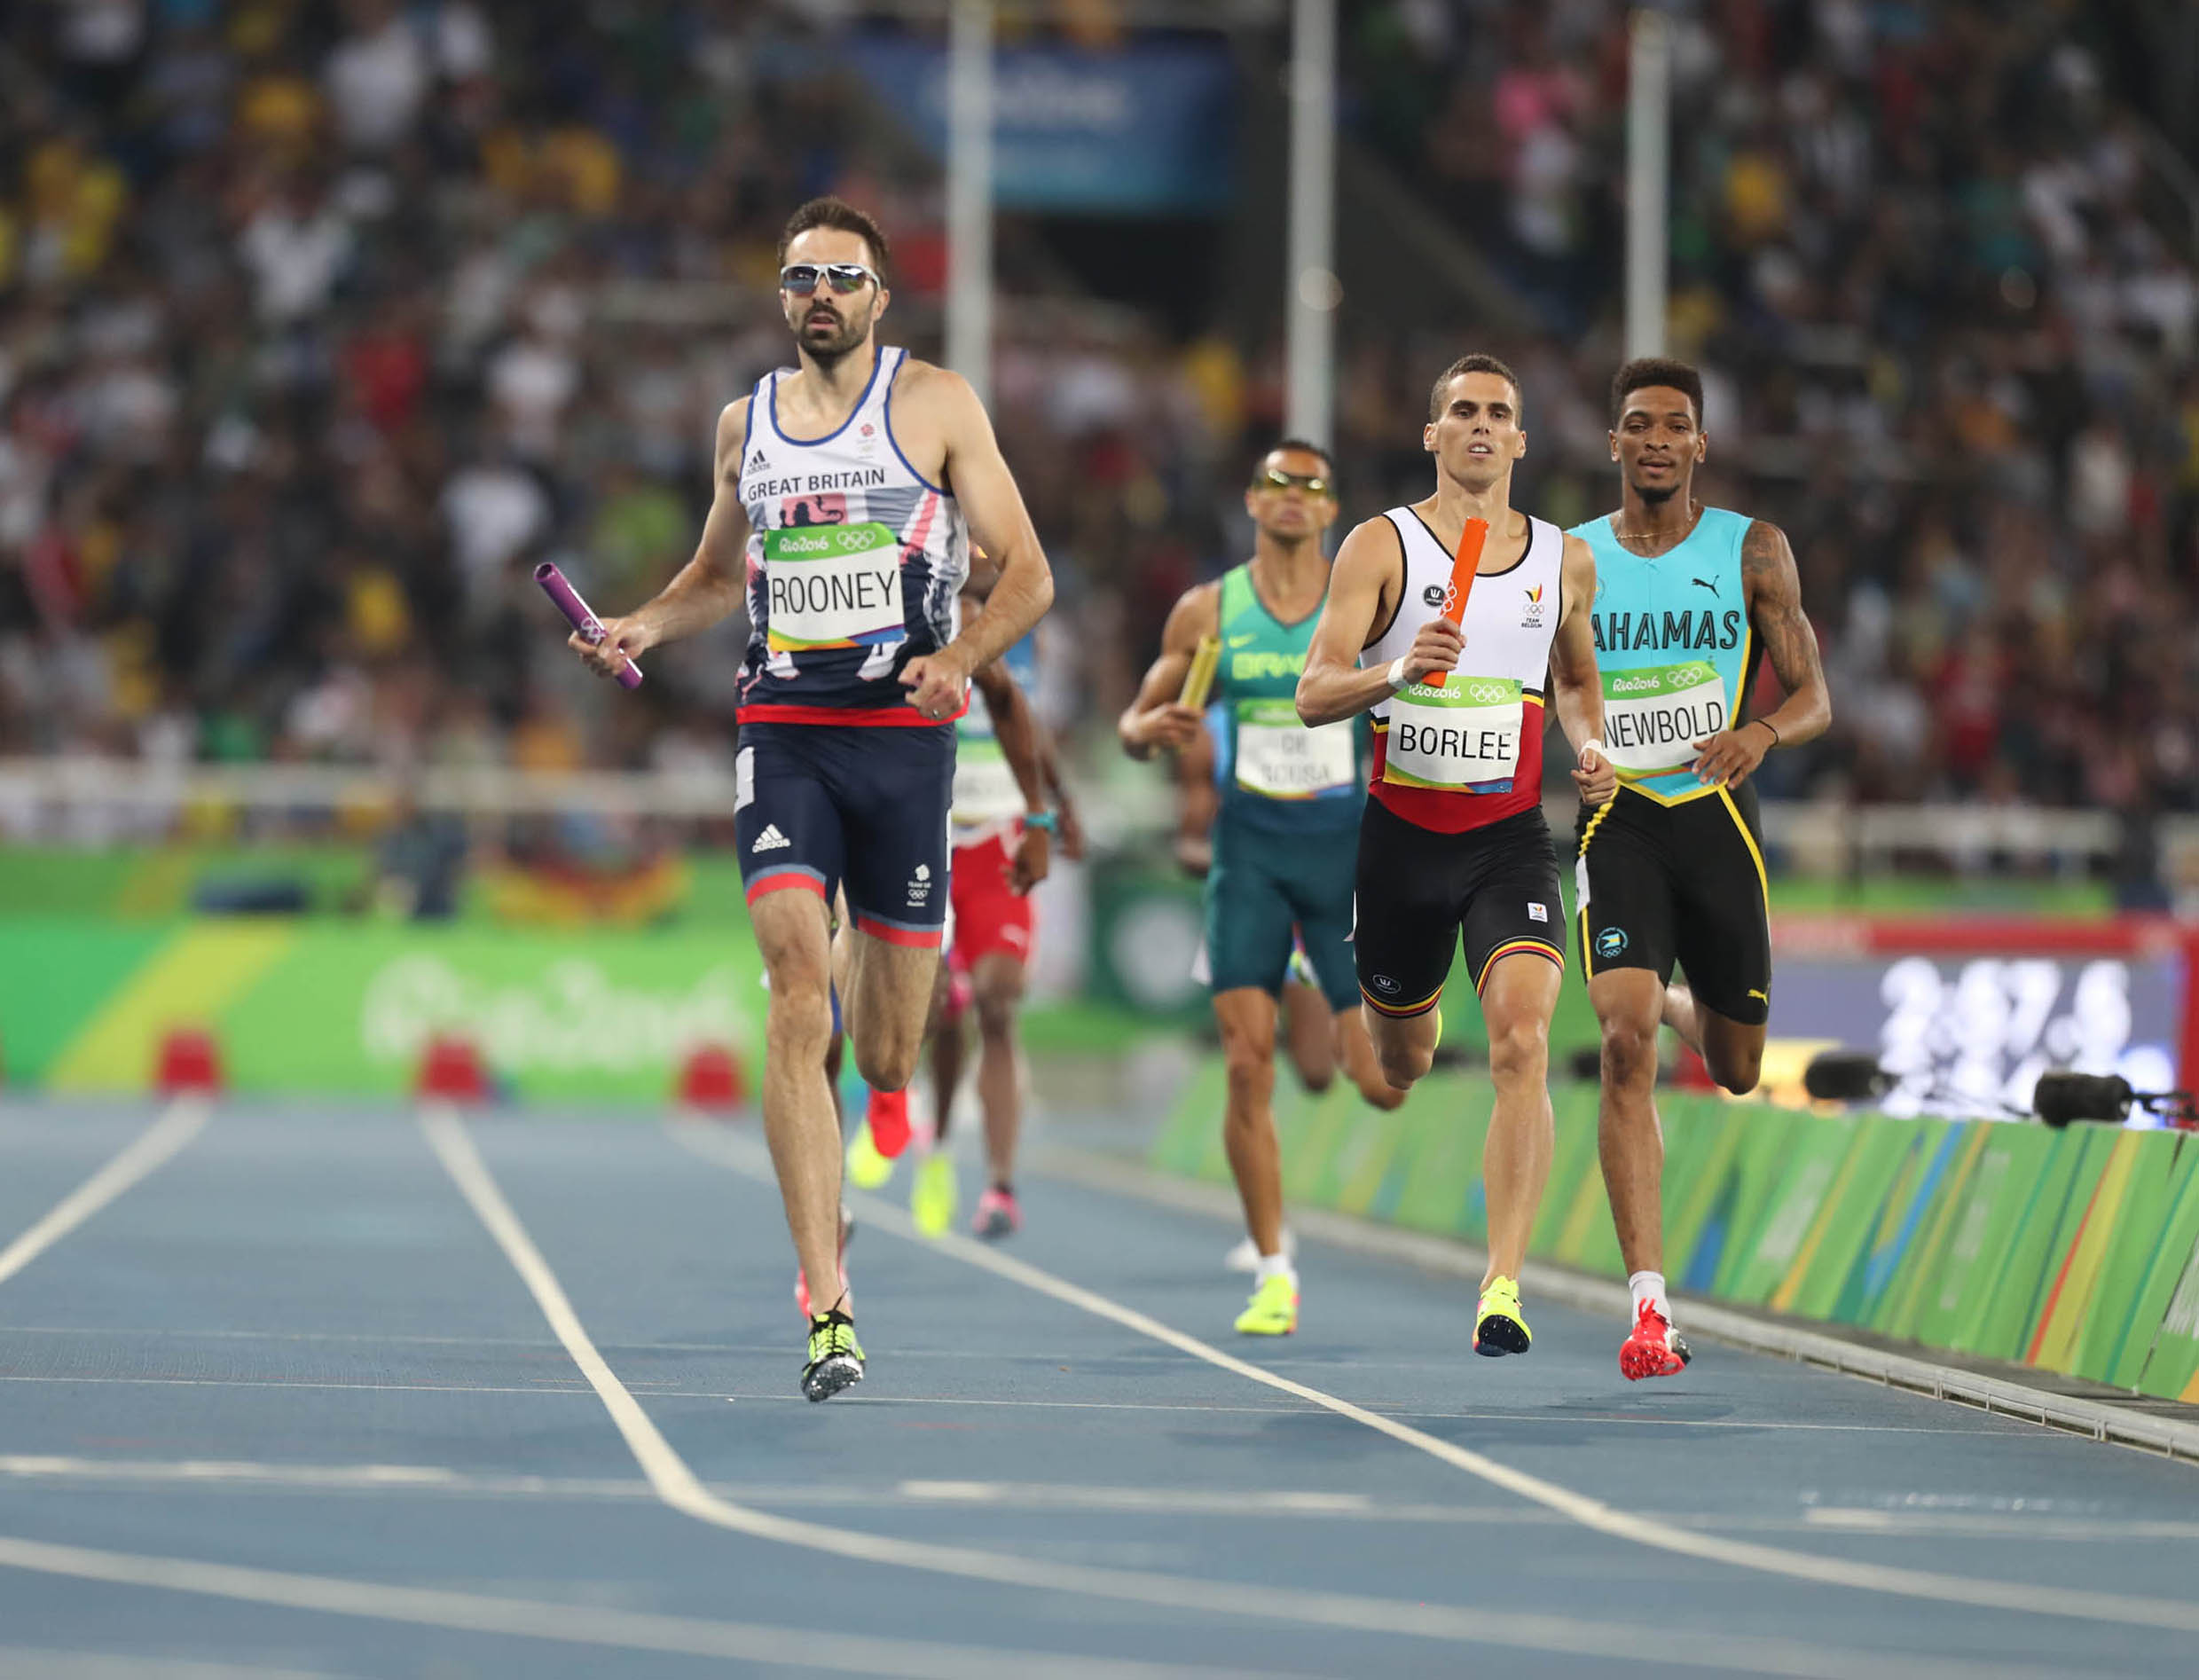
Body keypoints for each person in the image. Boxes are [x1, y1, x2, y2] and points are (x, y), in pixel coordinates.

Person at [572, 197, 1054, 1401]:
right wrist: (642, 623)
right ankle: (829, 1304)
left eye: (841, 277)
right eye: (800, 278)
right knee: (796, 996)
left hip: (905, 741)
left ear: (879, 295)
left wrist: (959, 657)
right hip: (784, 730)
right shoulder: (744, 424)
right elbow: (711, 573)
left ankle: (881, 1069)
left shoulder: (935, 404)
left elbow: (1029, 574)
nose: (820, 294)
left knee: (886, 1043)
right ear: (781, 297)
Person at [1296, 354, 1612, 1359]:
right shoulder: (1379, 545)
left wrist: (1589, 744)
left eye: (1498, 413)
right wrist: (1397, 671)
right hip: (1400, 844)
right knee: (1402, 1061)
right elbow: (1313, 691)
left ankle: (1501, 1285)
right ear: (1432, 434)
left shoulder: (1563, 560)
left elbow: (1575, 683)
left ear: (1520, 439)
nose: (1481, 425)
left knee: (1522, 1040)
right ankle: (1393, 999)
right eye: (1462, 411)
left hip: (1507, 843)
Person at [1570, 357, 1831, 1380]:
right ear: (1613, 442)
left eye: (1673, 425)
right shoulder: (1572, 558)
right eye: (1638, 424)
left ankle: (1685, 1003)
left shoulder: (1752, 549)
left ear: (1699, 445)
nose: (1655, 440)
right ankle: (1649, 1305)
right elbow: (1553, 684)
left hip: (1717, 814)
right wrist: (1580, 748)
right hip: (1619, 818)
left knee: (1735, 1067)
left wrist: (1757, 733)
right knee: (1620, 1038)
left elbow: (1813, 698)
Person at [1120, 441, 1407, 1338]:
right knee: (1246, 1064)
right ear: (1250, 500)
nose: (1291, 497)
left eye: (1309, 486)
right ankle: (1274, 1270)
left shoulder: (1361, 605)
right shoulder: (1208, 612)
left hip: (1343, 859)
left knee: (1380, 1083)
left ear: (1330, 510)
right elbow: (1136, 720)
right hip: (1248, 856)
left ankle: (1345, 991)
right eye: (1276, 483)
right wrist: (1147, 731)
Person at [850, 612, 1075, 1242]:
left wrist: (1057, 807)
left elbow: (1024, 720)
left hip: (997, 833)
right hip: (927, 828)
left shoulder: (1025, 621)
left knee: (997, 1003)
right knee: (930, 1003)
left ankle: (994, 1183)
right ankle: (899, 1108)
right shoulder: (914, 601)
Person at [1174, 693, 1367, 1276]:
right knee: (1246, 1067)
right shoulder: (1212, 729)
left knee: (1315, 1071)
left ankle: (1336, 1030)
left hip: (1315, 907)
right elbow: (1189, 839)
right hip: (1249, 903)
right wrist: (1240, 859)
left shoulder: (1345, 705)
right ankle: (1269, 1233)